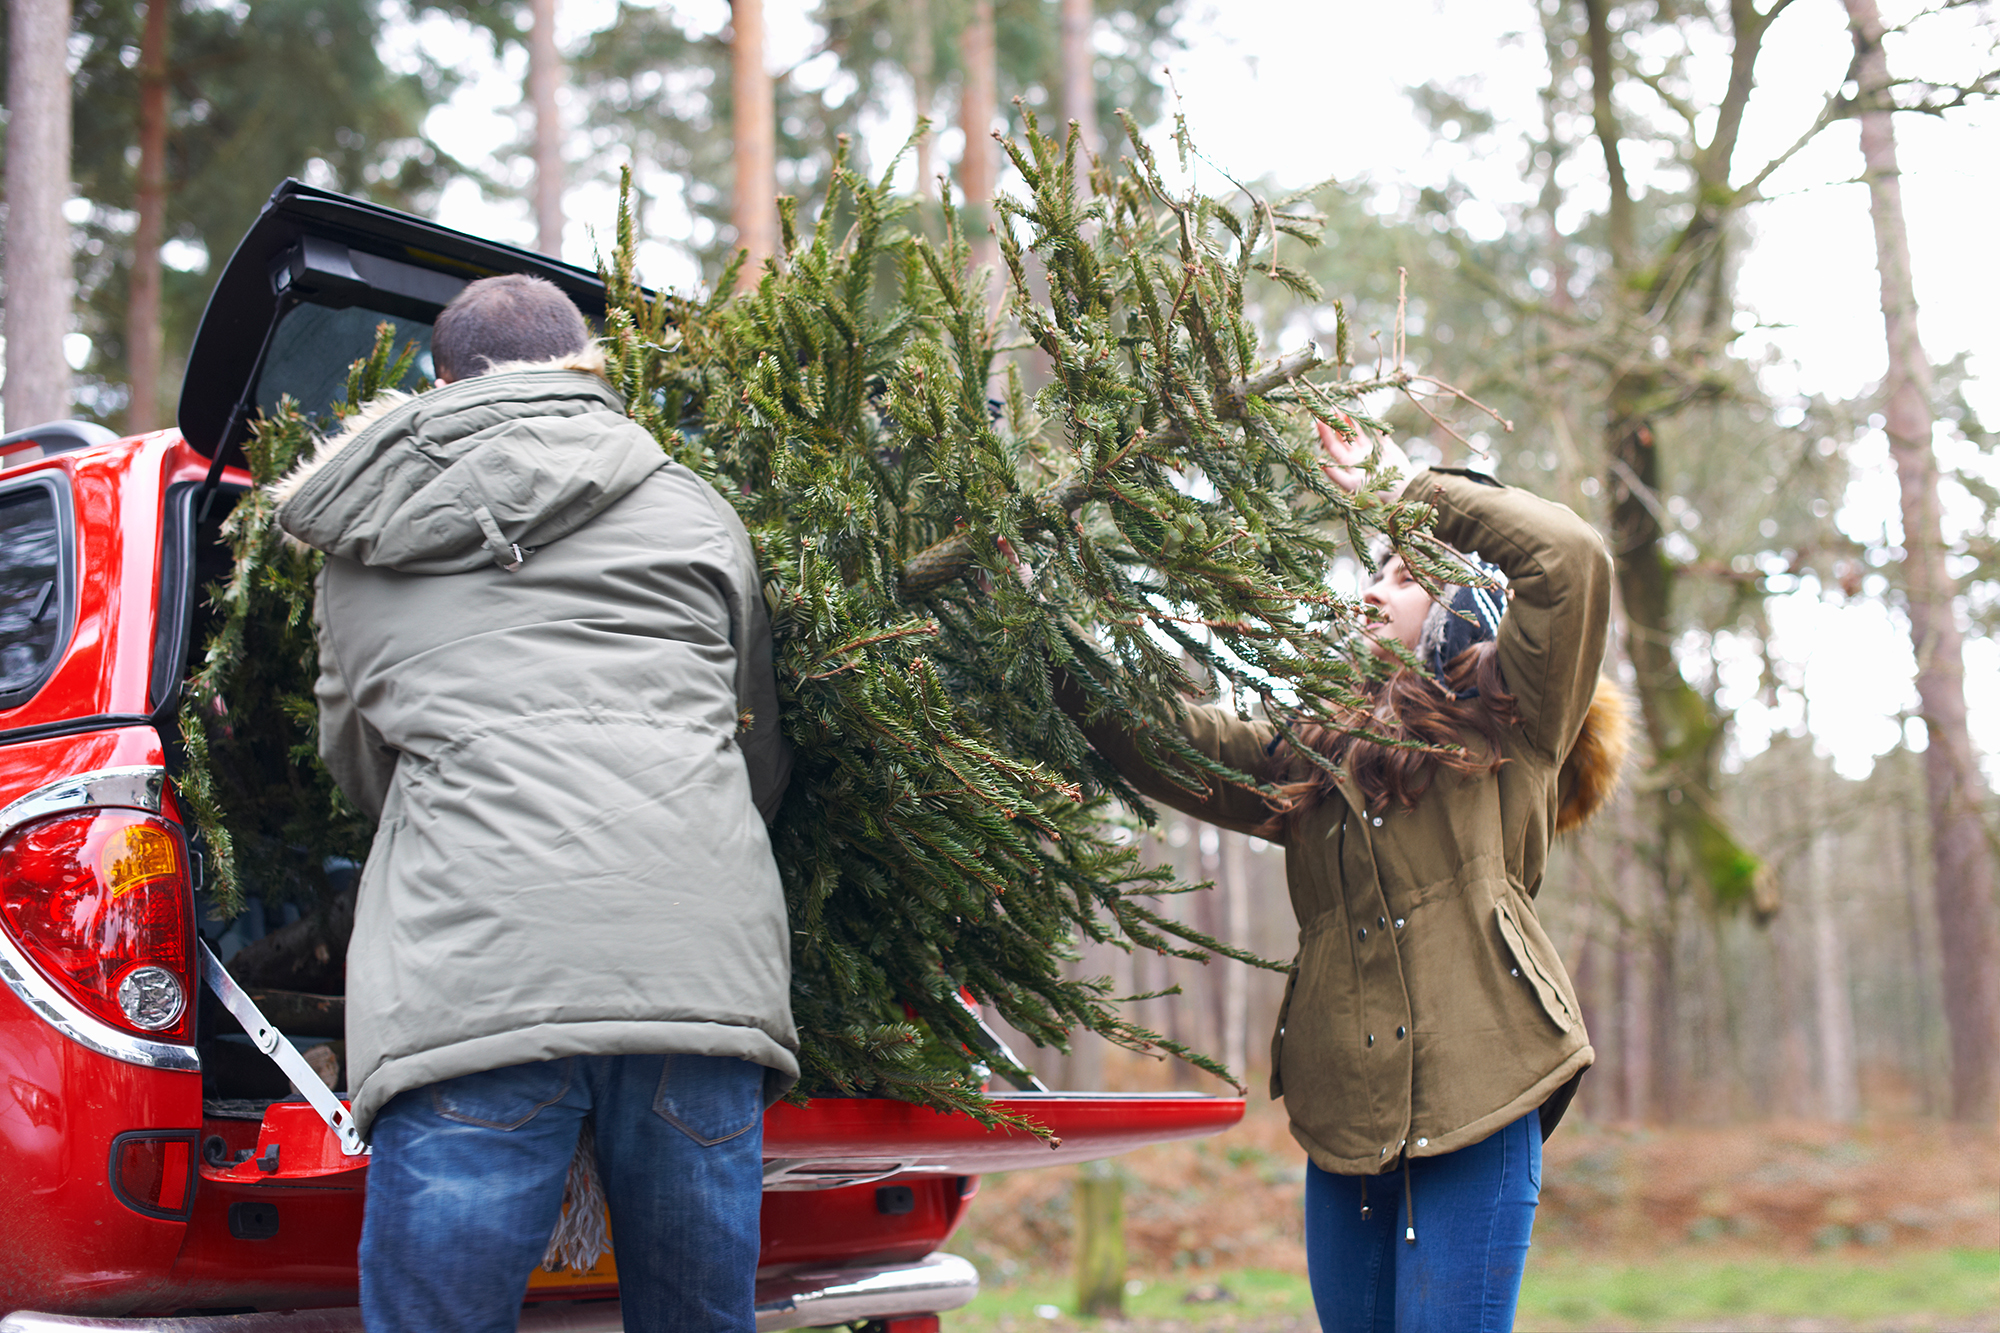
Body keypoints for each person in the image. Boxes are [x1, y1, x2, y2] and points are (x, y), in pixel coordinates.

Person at [273, 274, 797, 1333]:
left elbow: (361, 768)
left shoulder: (360, 548)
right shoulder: (691, 503)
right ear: (582, 368)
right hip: (692, 960)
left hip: (469, 976)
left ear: (441, 382)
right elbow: (754, 741)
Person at [1059, 423, 1628, 1332]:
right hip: (1345, 1121)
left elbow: (1569, 556)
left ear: (1463, 614)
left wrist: (1404, 490)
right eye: (1373, 570)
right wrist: (1046, 635)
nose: (1370, 589)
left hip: (1484, 1099)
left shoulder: (1515, 715)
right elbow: (1173, 740)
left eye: (1405, 577)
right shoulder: (1311, 753)